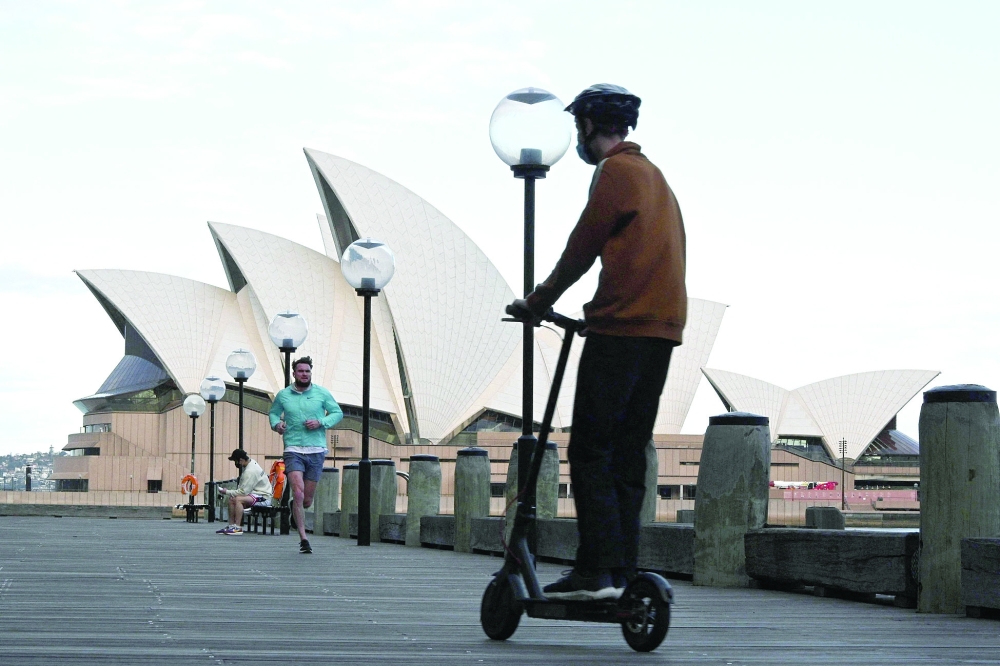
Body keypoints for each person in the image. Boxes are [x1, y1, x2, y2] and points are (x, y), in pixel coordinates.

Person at [511, 83, 687, 600]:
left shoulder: (615, 172)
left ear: (588, 125)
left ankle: (595, 571)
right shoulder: (655, 175)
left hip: (621, 328)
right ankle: (624, 571)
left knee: (589, 448)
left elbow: (582, 246)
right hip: (660, 331)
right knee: (629, 453)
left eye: (578, 128)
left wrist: (537, 302)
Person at [268, 356, 343, 554]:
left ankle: (296, 507)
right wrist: (277, 424)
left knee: (306, 499)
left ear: (311, 373)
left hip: (316, 449)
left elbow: (337, 413)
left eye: (307, 371)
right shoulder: (284, 395)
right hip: (293, 449)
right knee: (298, 492)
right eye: (300, 371)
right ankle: (304, 538)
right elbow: (274, 413)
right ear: (294, 373)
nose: (304, 374)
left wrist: (321, 422)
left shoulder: (321, 393)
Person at [216, 448, 272, 535]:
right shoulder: (251, 463)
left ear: (241, 460)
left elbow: (243, 492)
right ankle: (231, 526)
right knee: (232, 499)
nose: (235, 463)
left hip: (264, 497)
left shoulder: (250, 471)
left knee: (238, 499)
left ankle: (237, 527)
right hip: (255, 494)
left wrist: (226, 492)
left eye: (235, 461)